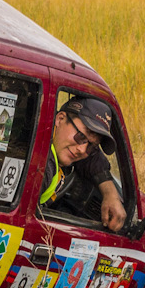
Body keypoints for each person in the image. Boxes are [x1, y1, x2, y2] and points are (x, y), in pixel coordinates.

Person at [40, 96, 127, 230]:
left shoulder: (54, 141)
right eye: (81, 136)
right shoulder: (41, 164)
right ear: (60, 119)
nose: (82, 150)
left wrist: (111, 194)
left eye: (91, 146)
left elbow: (94, 159)